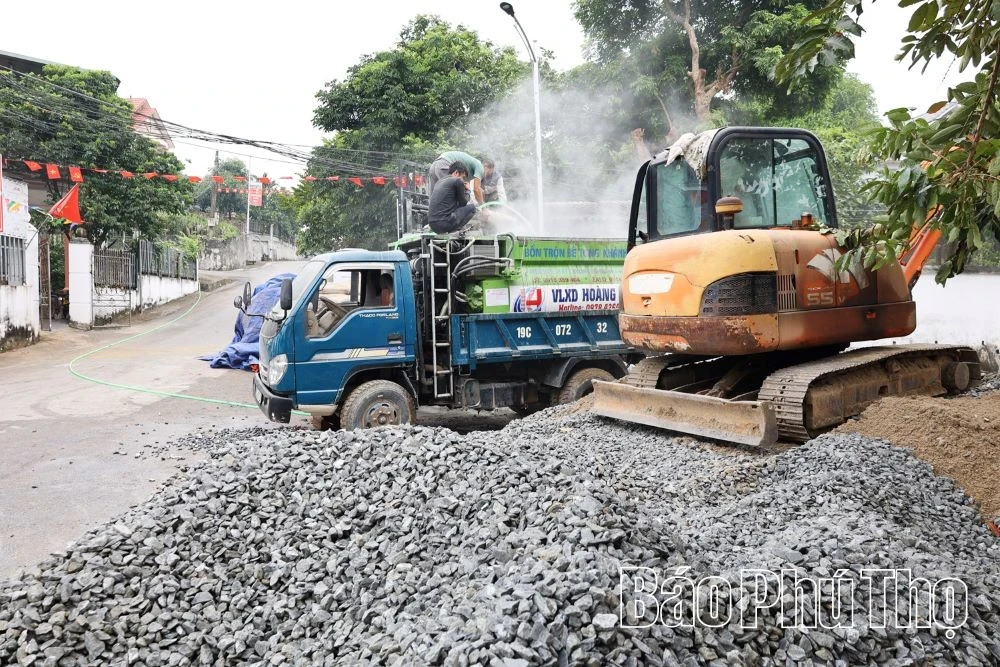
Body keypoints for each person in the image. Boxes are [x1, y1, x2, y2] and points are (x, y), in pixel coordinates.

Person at [428, 162, 479, 234]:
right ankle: (456, 231)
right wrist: (468, 190)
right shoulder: (457, 181)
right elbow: (463, 204)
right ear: (456, 172)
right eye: (463, 177)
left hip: (433, 225)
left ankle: (451, 230)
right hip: (444, 223)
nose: (463, 180)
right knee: (473, 208)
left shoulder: (440, 181)